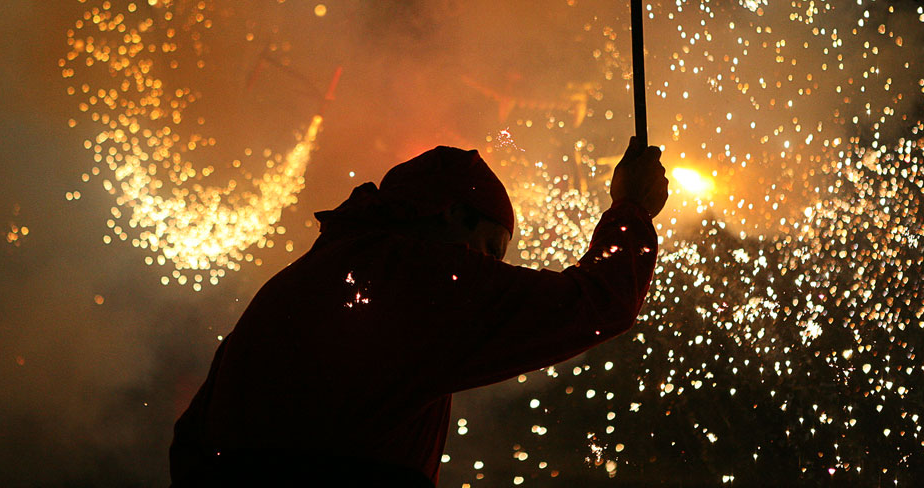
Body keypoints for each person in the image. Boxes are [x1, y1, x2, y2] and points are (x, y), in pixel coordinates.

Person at [170, 137, 667, 486]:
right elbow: (600, 300)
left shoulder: (296, 282)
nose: (488, 268)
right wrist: (631, 207)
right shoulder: (421, 278)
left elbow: (190, 439)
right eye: (490, 249)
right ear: (452, 213)